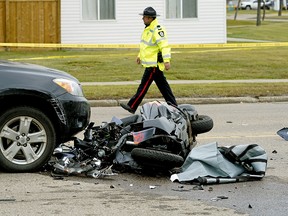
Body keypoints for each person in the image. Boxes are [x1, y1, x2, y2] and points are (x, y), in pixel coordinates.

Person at [120, 6, 177, 114]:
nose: (143, 19)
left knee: (144, 86)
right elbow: (146, 46)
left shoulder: (157, 29)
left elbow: (164, 46)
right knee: (164, 87)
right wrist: (139, 56)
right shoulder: (148, 29)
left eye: (144, 17)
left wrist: (167, 60)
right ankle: (174, 106)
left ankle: (132, 106)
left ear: (150, 18)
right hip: (151, 65)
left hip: (154, 66)